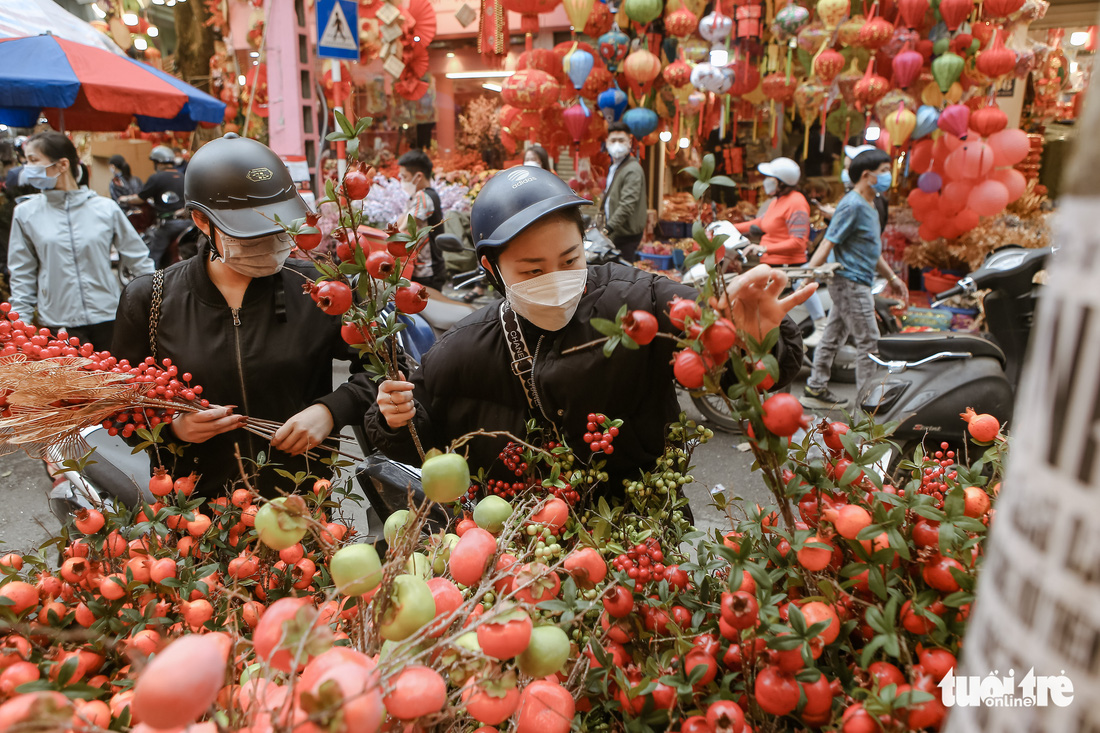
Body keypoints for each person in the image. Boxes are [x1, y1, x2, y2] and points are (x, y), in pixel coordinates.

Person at [364, 166, 811, 499]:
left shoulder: (642, 301)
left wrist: (752, 341)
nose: (556, 278)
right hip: (526, 553)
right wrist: (393, 417)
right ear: (491, 268)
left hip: (642, 536)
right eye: (533, 269)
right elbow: (416, 442)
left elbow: (741, 380)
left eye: (570, 260)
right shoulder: (460, 353)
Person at [112, 133, 379, 499]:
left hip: (301, 502)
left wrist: (330, 410)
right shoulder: (149, 300)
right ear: (201, 222)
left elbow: (384, 369)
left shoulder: (326, 290)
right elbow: (120, 409)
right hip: (200, 517)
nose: (271, 244)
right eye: (251, 235)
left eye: (280, 229)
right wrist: (173, 426)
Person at [7, 131, 153, 349]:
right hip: (58, 323)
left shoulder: (105, 209)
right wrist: (20, 327)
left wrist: (155, 308)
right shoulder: (26, 213)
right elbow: (21, 273)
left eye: (33, 160)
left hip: (109, 317)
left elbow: (140, 261)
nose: (27, 167)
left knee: (116, 381)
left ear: (62, 165)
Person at [802, 149, 908, 408]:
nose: (887, 175)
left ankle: (815, 387)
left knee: (833, 335)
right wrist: (808, 274)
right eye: (884, 170)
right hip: (849, 281)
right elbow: (829, 240)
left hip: (858, 280)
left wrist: (892, 277)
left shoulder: (870, 204)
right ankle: (867, 403)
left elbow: (871, 250)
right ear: (866, 175)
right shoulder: (852, 204)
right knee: (869, 341)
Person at [736, 157, 827, 334]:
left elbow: (799, 241)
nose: (765, 182)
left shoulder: (796, 202)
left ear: (781, 182)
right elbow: (761, 223)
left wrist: (764, 248)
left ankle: (821, 325)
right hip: (770, 265)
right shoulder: (777, 201)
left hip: (789, 266)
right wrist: (726, 226)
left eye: (770, 178)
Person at [121, 145, 188, 268]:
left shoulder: (156, 178)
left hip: (169, 224)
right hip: (188, 224)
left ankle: (152, 283)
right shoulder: (182, 177)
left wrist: (125, 199)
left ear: (158, 163)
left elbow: (141, 198)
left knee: (152, 257)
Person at [397, 150, 445, 290]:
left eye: (404, 176)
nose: (402, 181)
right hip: (423, 270)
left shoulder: (423, 197)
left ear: (418, 176)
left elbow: (404, 228)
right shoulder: (420, 196)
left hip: (427, 272)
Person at [601, 121, 647, 262]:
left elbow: (627, 205)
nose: (617, 144)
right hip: (617, 231)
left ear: (630, 142)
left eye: (621, 140)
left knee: (621, 278)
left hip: (624, 235)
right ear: (607, 142)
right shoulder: (616, 166)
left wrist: (608, 229)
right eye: (613, 140)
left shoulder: (632, 169)